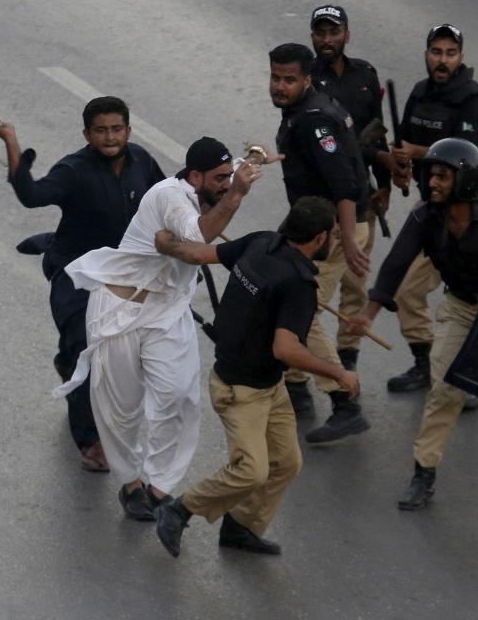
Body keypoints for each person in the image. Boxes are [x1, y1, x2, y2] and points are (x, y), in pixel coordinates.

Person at [52, 137, 267, 521]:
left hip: (168, 312)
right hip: (121, 310)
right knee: (121, 409)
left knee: (179, 397)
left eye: (227, 177)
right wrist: (236, 194)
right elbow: (200, 238)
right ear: (195, 176)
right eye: (218, 179)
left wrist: (257, 157)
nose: (225, 183)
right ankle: (131, 484)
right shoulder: (169, 196)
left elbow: (237, 167)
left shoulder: (215, 182)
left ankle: (158, 487)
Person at [349, 139, 478, 510]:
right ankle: (424, 474)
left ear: (465, 181)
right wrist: (368, 313)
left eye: (443, 176)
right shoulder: (424, 219)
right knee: (443, 391)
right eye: (432, 174)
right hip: (460, 310)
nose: (432, 183)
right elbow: (395, 266)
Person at [153, 197, 358, 557]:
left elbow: (201, 256)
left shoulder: (262, 241)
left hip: (268, 385)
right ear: (320, 237)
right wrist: (338, 372)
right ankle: (179, 508)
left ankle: (241, 526)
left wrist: (167, 242)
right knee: (251, 470)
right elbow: (286, 349)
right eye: (335, 235)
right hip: (240, 390)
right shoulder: (299, 283)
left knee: (287, 462)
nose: (336, 241)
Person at [0, 97, 165, 472]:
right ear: (87, 134)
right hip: (76, 273)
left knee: (122, 354)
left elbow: (168, 199)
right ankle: (91, 440)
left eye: (117, 129)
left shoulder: (142, 162)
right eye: (100, 130)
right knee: (89, 347)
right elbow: (31, 196)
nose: (110, 137)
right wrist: (11, 141)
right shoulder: (74, 170)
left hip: (123, 276)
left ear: (129, 131)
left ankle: (68, 362)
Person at [386, 24, 478, 407]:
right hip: (430, 210)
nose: (442, 60)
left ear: (461, 57)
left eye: (450, 52)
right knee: (404, 290)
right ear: (426, 53)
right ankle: (426, 361)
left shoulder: (474, 101)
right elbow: (404, 147)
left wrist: (417, 153)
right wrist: (400, 165)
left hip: (467, 217)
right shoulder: (418, 94)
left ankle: (468, 380)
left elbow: (474, 162)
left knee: (466, 302)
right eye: (436, 51)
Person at [269, 42, 372, 443]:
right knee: (284, 296)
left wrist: (344, 239)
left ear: (307, 79)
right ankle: (294, 388)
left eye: (289, 79)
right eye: (275, 78)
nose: (280, 86)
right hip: (311, 221)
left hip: (328, 230)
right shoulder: (306, 110)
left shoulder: (314, 120)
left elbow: (344, 184)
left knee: (304, 312)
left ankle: (345, 402)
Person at [309, 4, 395, 374]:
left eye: (334, 32)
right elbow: (336, 147)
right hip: (322, 201)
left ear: (347, 34)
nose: (327, 40)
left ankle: (348, 360)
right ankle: (298, 376)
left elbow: (377, 130)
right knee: (310, 291)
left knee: (356, 287)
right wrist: (378, 155)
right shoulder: (307, 80)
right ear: (312, 37)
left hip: (363, 197)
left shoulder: (364, 74)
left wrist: (387, 184)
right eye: (321, 33)